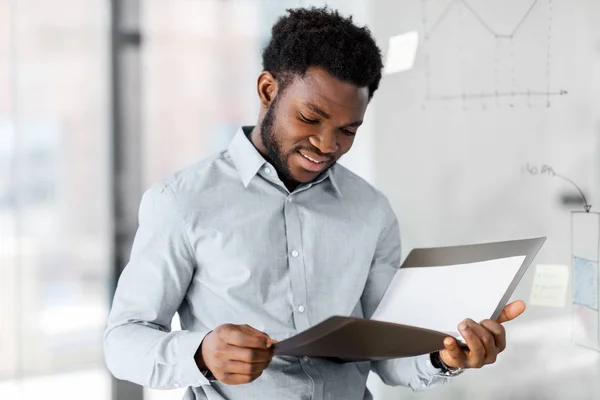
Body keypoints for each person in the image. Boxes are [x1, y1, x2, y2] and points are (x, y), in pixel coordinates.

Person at [104, 6, 526, 400]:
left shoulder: (371, 210)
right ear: (268, 90)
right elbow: (123, 342)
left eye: (348, 130)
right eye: (310, 118)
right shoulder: (181, 201)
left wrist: (444, 356)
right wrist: (201, 353)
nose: (327, 145)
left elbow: (389, 353)